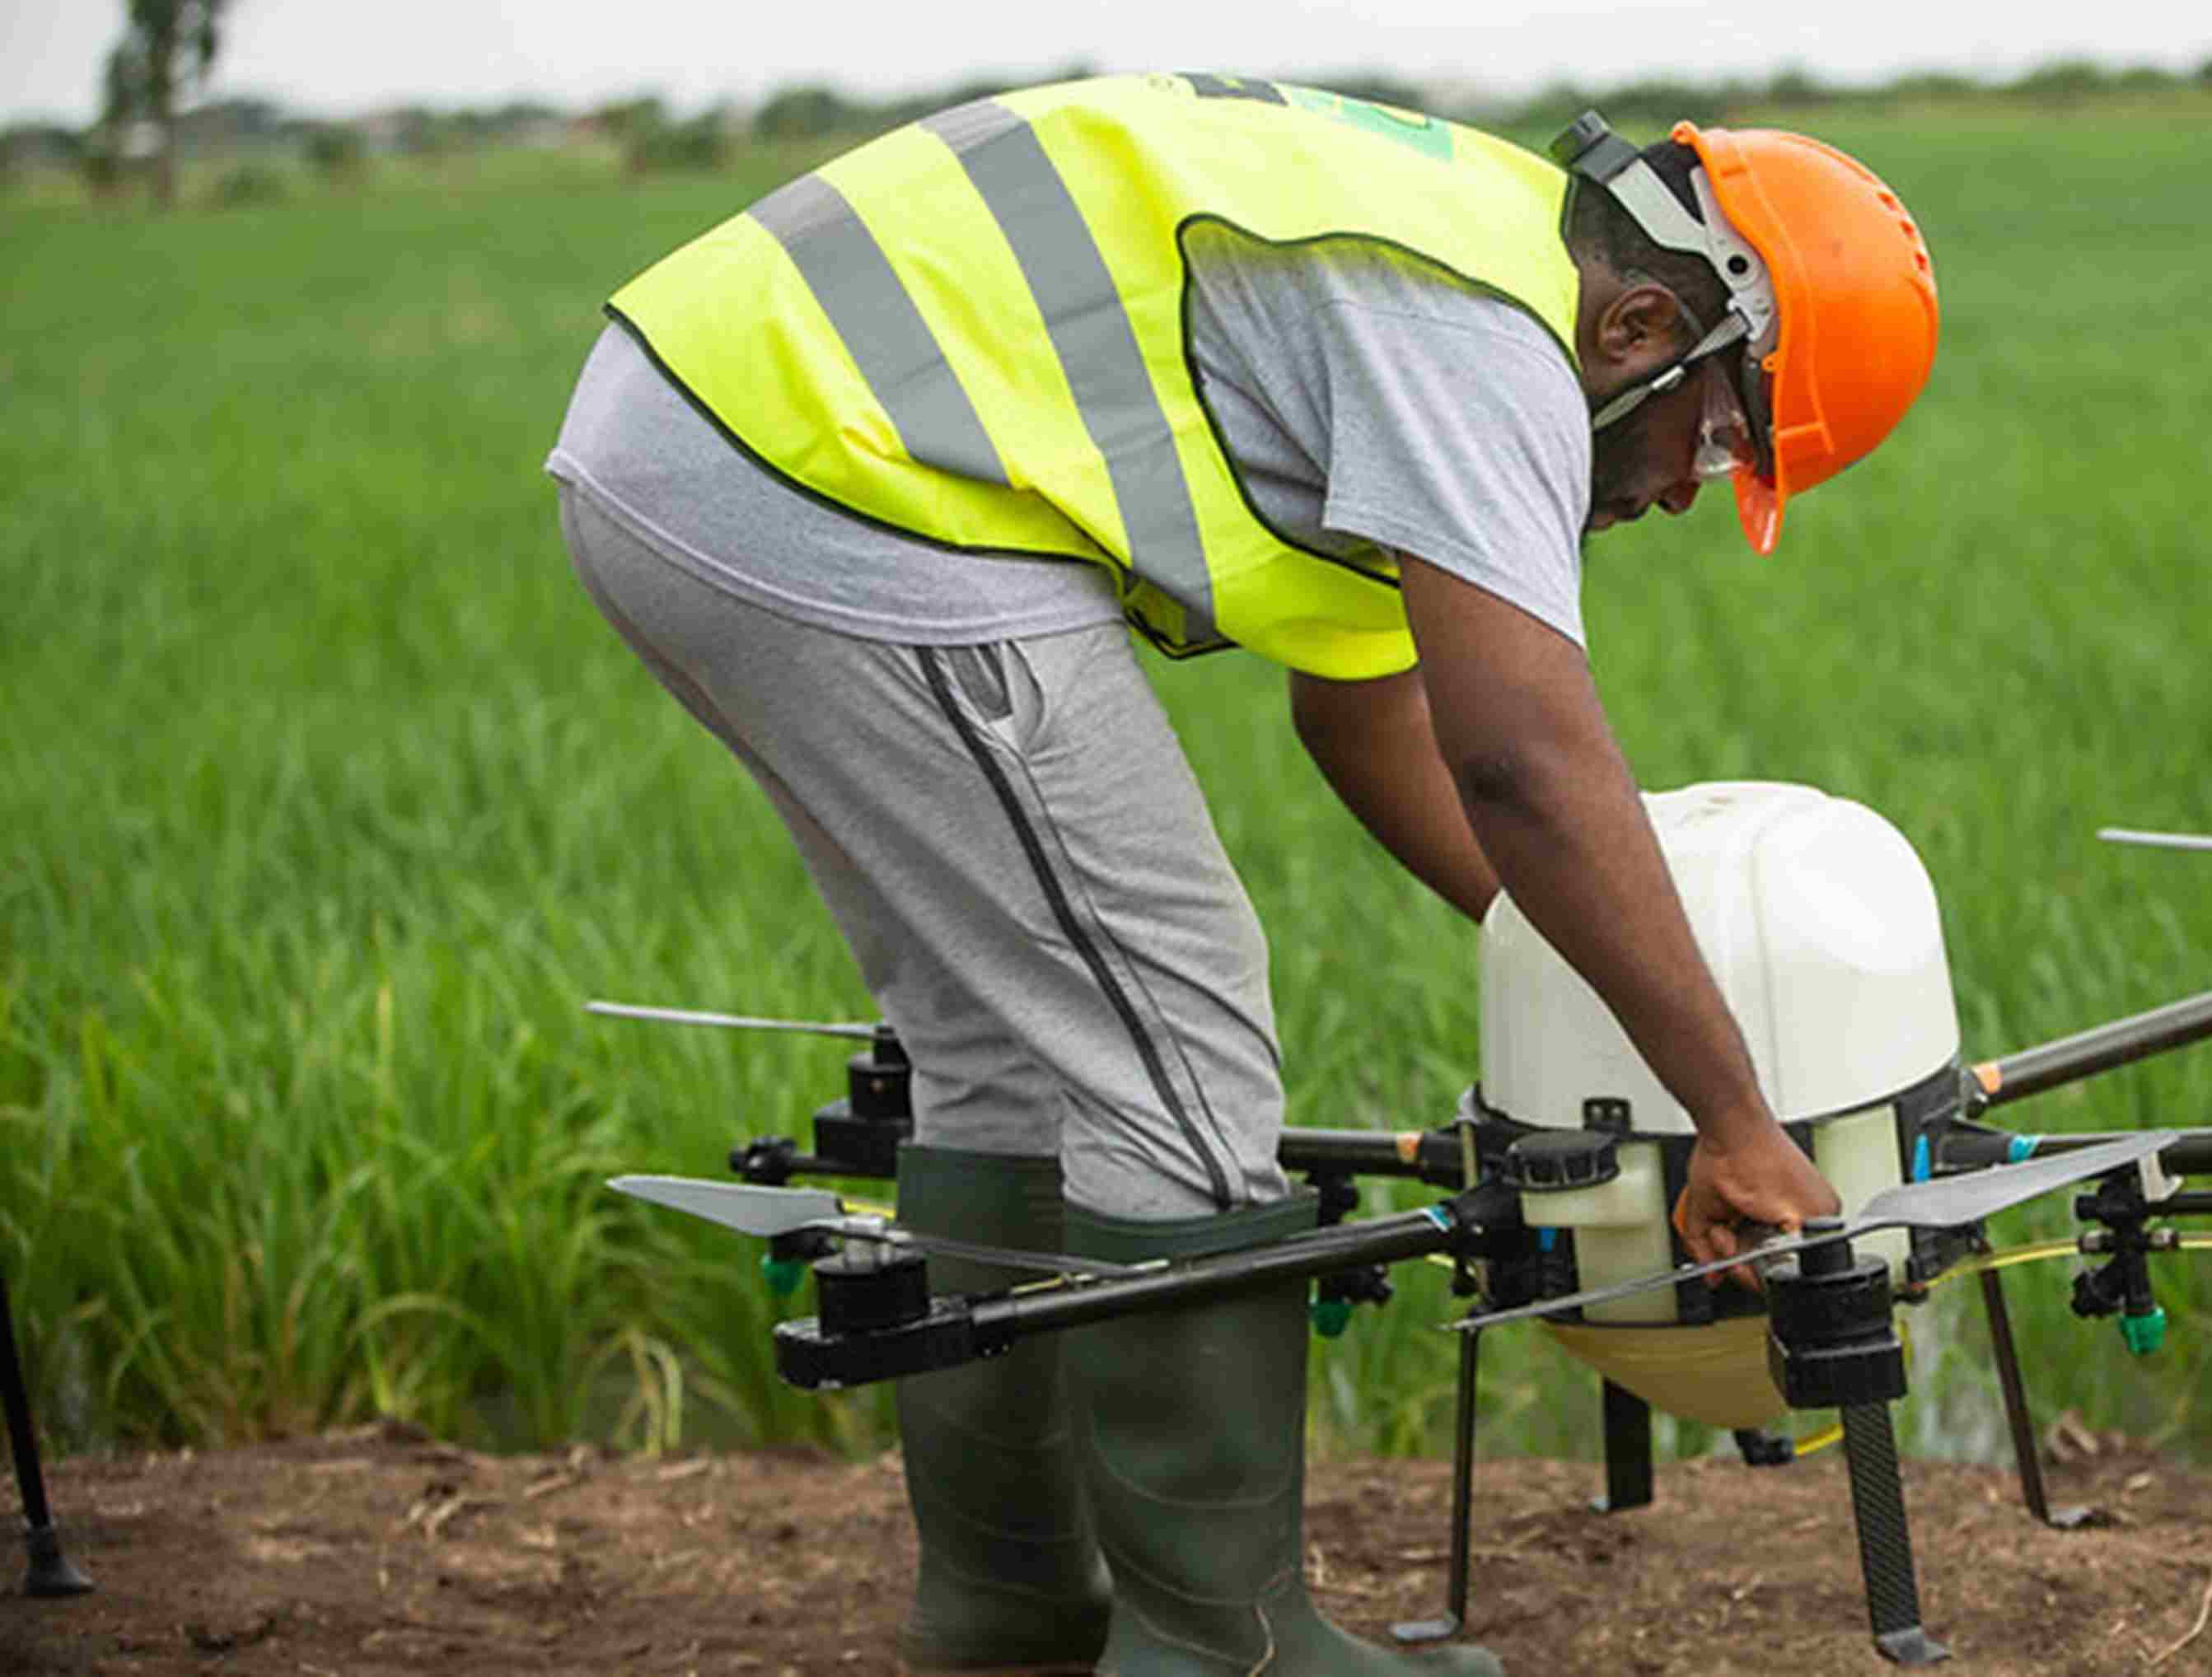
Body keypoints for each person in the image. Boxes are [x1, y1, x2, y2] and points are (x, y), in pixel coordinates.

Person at [546, 70, 1938, 1676]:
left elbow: (1371, 714)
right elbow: (1524, 764)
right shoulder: (1486, 340)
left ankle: (1011, 1609)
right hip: (831, 472)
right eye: (1722, 431)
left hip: (701, 440)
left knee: (1010, 1048)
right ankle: (1225, 1647)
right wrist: (1740, 1117)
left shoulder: (1455, 271)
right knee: (1177, 1030)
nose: (1692, 484)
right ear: (1641, 328)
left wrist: (1585, 996)